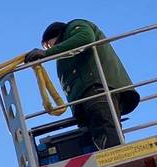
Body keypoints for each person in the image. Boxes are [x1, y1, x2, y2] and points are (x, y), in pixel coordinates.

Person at [25, 19, 140, 151]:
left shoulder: (74, 27)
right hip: (84, 99)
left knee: (104, 128)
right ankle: (110, 154)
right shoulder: (64, 55)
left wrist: (46, 53)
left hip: (96, 88)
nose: (48, 48)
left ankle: (116, 156)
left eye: (47, 45)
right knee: (95, 136)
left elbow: (85, 38)